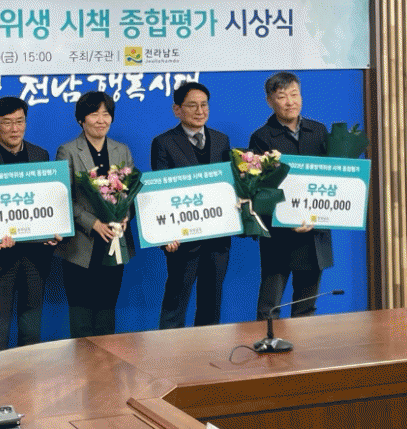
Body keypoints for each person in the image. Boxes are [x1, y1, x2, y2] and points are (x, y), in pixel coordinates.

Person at [0, 96, 59, 354]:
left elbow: (47, 201)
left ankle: (29, 379)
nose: (15, 129)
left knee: (31, 333)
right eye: (7, 123)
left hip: (34, 258)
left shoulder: (40, 155)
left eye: (20, 121)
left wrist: (52, 230)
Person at [249, 72, 334, 320]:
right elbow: (259, 189)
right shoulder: (262, 137)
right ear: (270, 101)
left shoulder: (318, 131)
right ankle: (267, 345)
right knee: (269, 308)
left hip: (314, 232)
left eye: (294, 94)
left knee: (306, 308)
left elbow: (332, 179)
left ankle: (303, 347)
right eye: (282, 96)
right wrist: (288, 219)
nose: (290, 102)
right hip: (280, 235)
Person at [55, 91, 136, 338]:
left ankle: (106, 361)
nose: (101, 120)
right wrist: (93, 223)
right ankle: (82, 362)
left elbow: (129, 192)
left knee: (106, 313)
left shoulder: (121, 150)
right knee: (81, 317)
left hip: (115, 242)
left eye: (106, 114)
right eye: (94, 114)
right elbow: (63, 198)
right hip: (82, 245)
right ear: (81, 119)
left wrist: (124, 215)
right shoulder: (68, 151)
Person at [151, 81, 232, 329]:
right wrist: (166, 235)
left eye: (204, 105)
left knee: (211, 304)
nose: (200, 111)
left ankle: (207, 351)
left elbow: (228, 186)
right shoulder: (164, 142)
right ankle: (168, 351)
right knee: (175, 303)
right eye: (192, 105)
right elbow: (161, 192)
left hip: (217, 238)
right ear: (177, 109)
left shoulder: (221, 140)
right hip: (183, 240)